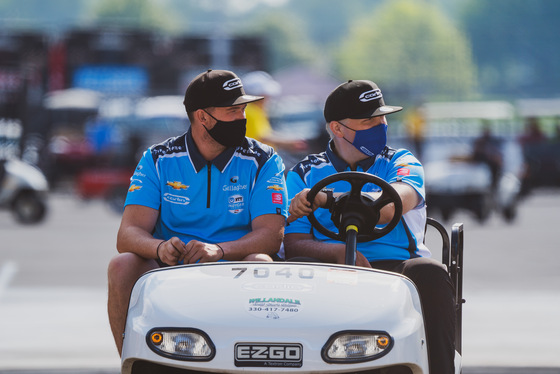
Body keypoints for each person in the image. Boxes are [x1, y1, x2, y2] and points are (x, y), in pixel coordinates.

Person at [107, 69, 288, 355]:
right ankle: (130, 363)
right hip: (172, 266)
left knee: (261, 260)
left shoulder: (264, 160)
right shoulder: (157, 158)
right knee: (122, 265)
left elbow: (271, 237)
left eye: (243, 109)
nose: (242, 118)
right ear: (202, 117)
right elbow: (128, 234)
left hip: (235, 261)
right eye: (232, 110)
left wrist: (218, 250)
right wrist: (160, 248)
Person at [284, 80, 456, 373]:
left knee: (430, 273)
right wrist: (335, 252)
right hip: (325, 269)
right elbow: (293, 241)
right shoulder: (303, 172)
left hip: (395, 267)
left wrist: (325, 199)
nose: (381, 124)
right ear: (337, 129)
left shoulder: (401, 161)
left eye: (382, 117)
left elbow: (391, 206)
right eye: (369, 120)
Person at [243, 71, 308, 153]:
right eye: (266, 95)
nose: (268, 98)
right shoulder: (250, 111)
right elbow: (262, 137)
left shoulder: (254, 110)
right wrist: (289, 143)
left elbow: (266, 133)